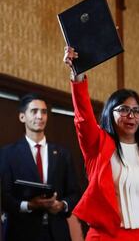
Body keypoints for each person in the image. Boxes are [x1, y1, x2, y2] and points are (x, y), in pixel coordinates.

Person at [63, 46, 139, 241]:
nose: (131, 116)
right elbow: (83, 119)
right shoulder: (98, 144)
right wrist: (77, 76)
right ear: (109, 113)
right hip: (107, 236)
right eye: (123, 109)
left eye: (136, 110)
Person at [0, 93, 80, 241]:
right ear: (22, 117)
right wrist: (29, 205)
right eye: (34, 111)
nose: (40, 116)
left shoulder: (63, 154)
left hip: (57, 233)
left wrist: (61, 205)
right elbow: (4, 196)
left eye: (44, 112)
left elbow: (75, 193)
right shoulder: (7, 154)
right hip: (21, 233)